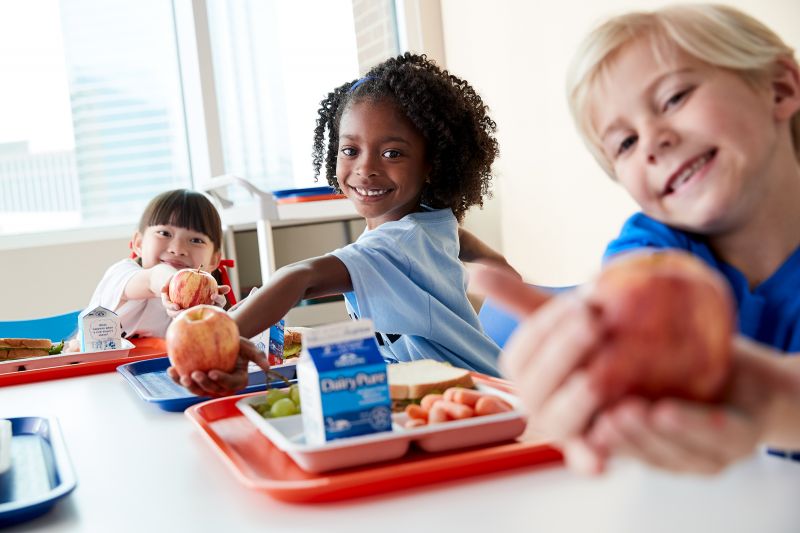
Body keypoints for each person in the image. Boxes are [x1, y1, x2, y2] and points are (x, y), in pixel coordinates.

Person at [473, 3, 800, 475]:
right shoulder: (654, 247)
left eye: (674, 98)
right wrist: (602, 347)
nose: (652, 141)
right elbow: (625, 292)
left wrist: (770, 400)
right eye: (624, 143)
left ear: (780, 88)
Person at [170, 52, 510, 397]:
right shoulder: (425, 223)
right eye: (350, 150)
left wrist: (222, 338)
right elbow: (458, 237)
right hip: (456, 389)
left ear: (433, 164)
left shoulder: (395, 246)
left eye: (392, 153)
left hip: (479, 397)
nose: (366, 168)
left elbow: (299, 277)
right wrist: (500, 267)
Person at [77, 189, 230, 342]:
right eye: (164, 233)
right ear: (139, 243)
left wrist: (212, 318)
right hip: (91, 365)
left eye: (196, 240)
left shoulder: (201, 306)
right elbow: (154, 278)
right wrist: (175, 285)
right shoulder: (122, 274)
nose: (177, 249)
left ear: (214, 260)